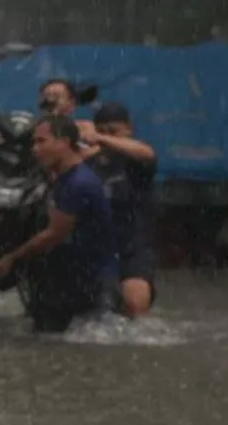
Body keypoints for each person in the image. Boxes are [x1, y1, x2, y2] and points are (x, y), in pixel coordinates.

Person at [0, 115, 119, 332]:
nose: (34, 148)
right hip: (67, 276)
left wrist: (11, 259)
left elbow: (53, 234)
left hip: (87, 282)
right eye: (33, 142)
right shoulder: (62, 177)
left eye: (41, 141)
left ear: (64, 142)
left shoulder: (78, 183)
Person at [83, 102, 159, 317]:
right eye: (102, 131)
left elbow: (147, 153)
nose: (108, 137)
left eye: (114, 131)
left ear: (128, 129)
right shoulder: (89, 160)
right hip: (96, 245)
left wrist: (100, 138)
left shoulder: (135, 160)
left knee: (135, 302)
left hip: (133, 246)